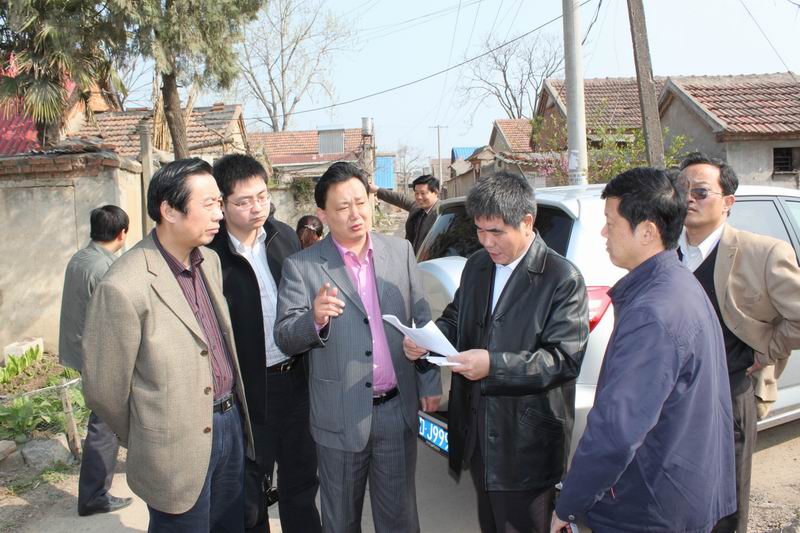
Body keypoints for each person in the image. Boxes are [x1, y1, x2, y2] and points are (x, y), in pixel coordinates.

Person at [551, 167, 736, 533]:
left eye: (611, 223)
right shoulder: (676, 283)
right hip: (677, 491)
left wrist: (569, 504)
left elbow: (616, 432)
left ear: (647, 231)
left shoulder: (654, 311)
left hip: (650, 505)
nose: (604, 233)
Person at [403, 172, 589, 533]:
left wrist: (493, 365)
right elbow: (456, 318)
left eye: (497, 232)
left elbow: (563, 360)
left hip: (526, 442)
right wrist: (428, 339)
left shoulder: (561, 278)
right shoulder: (477, 265)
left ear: (527, 222)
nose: (487, 242)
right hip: (478, 431)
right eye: (479, 231)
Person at [81, 158, 254, 532]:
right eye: (208, 204)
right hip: (173, 445)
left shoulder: (209, 261)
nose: (219, 214)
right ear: (169, 210)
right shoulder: (123, 285)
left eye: (219, 202)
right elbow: (104, 391)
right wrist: (152, 432)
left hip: (229, 424)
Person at [274, 161, 442, 533]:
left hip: (396, 409)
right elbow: (284, 336)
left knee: (399, 520)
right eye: (342, 207)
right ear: (322, 213)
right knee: (340, 521)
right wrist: (314, 319)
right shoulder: (302, 266)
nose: (355, 215)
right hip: (339, 415)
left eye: (361, 202)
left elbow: (420, 318)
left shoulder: (399, 251)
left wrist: (429, 381)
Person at [677, 152, 800, 533]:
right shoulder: (664, 253)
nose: (688, 198)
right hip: (671, 396)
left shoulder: (762, 253)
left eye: (700, 192)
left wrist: (767, 349)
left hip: (728, 394)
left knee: (725, 508)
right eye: (681, 190)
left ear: (728, 201)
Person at [208, 154, 322, 533]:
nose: (257, 207)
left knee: (301, 481)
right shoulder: (211, 255)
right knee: (250, 492)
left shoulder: (283, 236)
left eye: (262, 196)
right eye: (244, 201)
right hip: (249, 390)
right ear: (222, 204)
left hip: (296, 379)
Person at [58, 205, 132, 517]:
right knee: (105, 423)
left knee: (107, 420)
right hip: (100, 356)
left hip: (81, 350)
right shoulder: (107, 268)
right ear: (122, 233)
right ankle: (94, 496)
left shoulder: (81, 258)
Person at [370, 174, 439, 253]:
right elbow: (400, 199)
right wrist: (377, 190)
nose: (419, 197)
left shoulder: (443, 213)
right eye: (416, 193)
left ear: (435, 192)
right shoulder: (417, 208)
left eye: (423, 193)